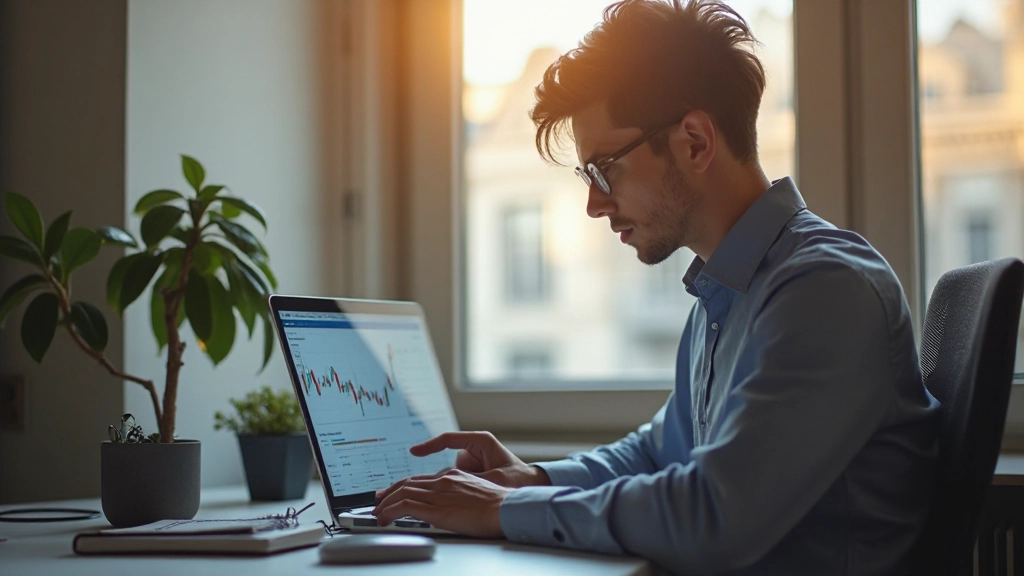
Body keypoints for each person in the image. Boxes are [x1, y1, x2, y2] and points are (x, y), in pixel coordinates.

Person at [372, 0, 940, 573]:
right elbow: (656, 453)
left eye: (604, 169)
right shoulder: (729, 293)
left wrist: (509, 507)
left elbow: (714, 515)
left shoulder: (824, 290)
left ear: (694, 141)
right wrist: (533, 478)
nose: (594, 204)